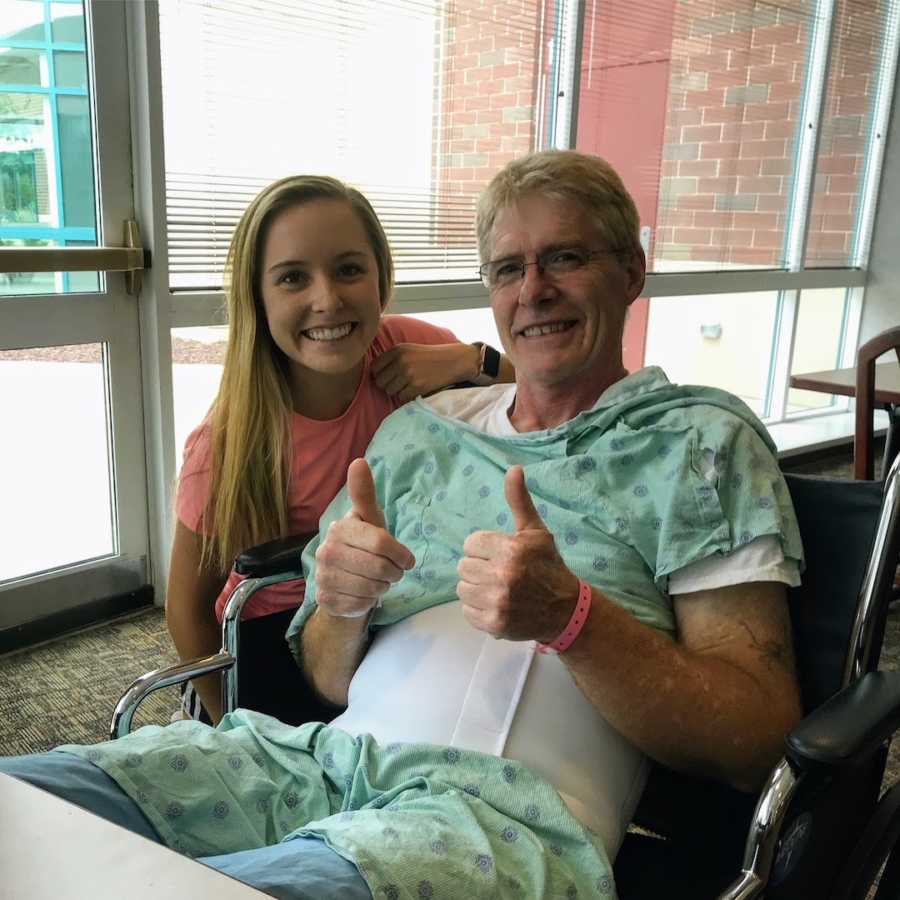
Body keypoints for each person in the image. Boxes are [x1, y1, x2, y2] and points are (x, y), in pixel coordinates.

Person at [0, 151, 804, 899]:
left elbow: (754, 735)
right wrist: (341, 607)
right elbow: (323, 680)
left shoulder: (699, 442)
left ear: (631, 272)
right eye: (508, 269)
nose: (534, 290)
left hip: (496, 820)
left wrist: (574, 620)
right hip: (316, 761)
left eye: (565, 257)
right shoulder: (422, 430)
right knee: (27, 809)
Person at [166, 174, 512, 725]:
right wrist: (226, 722)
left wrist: (471, 360)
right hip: (272, 633)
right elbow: (186, 610)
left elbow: (539, 392)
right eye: (293, 278)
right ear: (257, 296)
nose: (327, 300)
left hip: (394, 603)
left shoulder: (406, 346)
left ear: (381, 276)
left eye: (349, 269)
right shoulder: (228, 443)